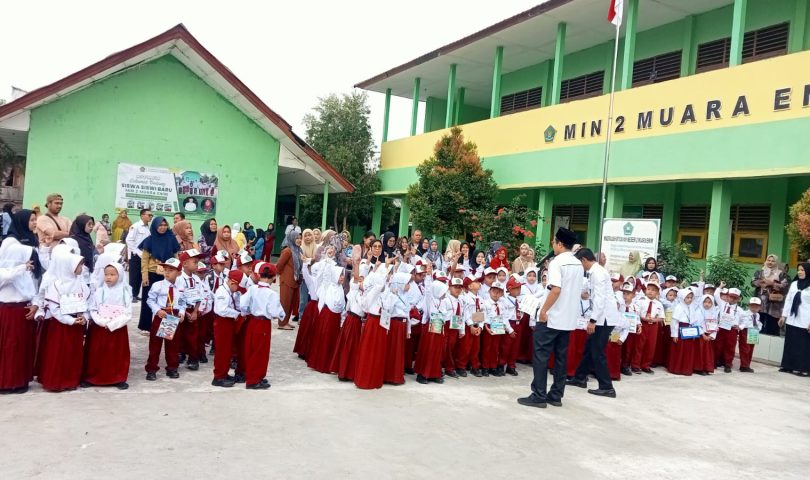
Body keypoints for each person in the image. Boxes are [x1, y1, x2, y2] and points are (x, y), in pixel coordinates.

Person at [518, 227, 583, 409]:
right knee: (561, 357)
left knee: (541, 355)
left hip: (552, 317)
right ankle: (556, 395)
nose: (553, 245)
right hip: (568, 318)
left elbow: (555, 289)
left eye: (554, 242)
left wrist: (544, 310)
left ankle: (539, 395)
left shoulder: (557, 263)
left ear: (560, 244)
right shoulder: (578, 264)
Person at [567, 248, 618, 398]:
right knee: (589, 349)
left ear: (584, 260)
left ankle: (607, 387)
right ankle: (580, 378)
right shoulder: (594, 271)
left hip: (603, 319)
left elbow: (600, 299)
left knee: (597, 352)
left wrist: (593, 320)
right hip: (602, 317)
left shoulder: (597, 273)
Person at [36, 252, 89, 392]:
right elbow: (54, 309)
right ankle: (56, 381)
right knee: (59, 353)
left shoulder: (82, 284)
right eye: (79, 265)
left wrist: (85, 317)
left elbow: (87, 304)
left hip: (77, 325)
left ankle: (71, 380)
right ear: (69, 266)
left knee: (73, 353)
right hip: (61, 326)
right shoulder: (56, 286)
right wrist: (70, 320)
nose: (82, 268)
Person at [82, 261, 131, 390]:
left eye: (112, 274)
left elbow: (128, 312)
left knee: (116, 353)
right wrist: (101, 321)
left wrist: (113, 324)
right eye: (106, 274)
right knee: (96, 353)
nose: (108, 277)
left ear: (120, 275)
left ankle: (118, 377)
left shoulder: (124, 292)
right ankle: (92, 377)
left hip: (117, 328)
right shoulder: (99, 291)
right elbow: (92, 308)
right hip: (100, 328)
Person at [0, 238, 40, 394]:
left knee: (21, 348)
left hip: (23, 313)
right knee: (8, 347)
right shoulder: (4, 270)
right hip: (8, 313)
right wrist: (22, 267)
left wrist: (35, 305)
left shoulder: (25, 274)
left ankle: (20, 381)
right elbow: (8, 277)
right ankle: (5, 382)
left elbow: (33, 292)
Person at [239, 262, 283, 389]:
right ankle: (254, 379)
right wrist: (280, 315)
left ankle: (254, 376)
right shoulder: (272, 294)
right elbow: (275, 312)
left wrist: (246, 312)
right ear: (273, 277)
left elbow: (243, 304)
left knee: (252, 348)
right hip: (263, 323)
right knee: (260, 351)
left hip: (253, 321)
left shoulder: (253, 289)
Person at [145, 257, 187, 381]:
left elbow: (183, 301)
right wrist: (158, 310)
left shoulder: (181, 286)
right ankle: (152, 369)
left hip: (172, 316)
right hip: (161, 315)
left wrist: (182, 312)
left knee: (172, 345)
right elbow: (150, 300)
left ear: (179, 273)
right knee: (155, 345)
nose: (167, 272)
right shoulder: (158, 285)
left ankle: (172, 368)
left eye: (171, 270)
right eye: (166, 270)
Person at [137, 216, 181, 333]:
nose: (163, 227)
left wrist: (178, 272)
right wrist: (144, 276)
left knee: (168, 300)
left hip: (168, 274)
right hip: (152, 273)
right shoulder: (149, 240)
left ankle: (167, 328)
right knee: (148, 299)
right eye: (160, 225)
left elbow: (176, 256)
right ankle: (146, 326)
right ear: (155, 226)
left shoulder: (171, 239)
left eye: (165, 225)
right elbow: (144, 260)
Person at [211, 270, 246, 388]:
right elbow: (222, 309)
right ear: (232, 282)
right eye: (237, 287)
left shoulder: (229, 291)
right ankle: (219, 377)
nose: (238, 290)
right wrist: (237, 314)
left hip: (228, 322)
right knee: (222, 351)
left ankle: (224, 373)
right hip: (222, 322)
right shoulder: (222, 291)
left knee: (227, 350)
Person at [779, 263, 810, 376]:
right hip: (792, 319)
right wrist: (783, 316)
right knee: (790, 343)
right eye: (798, 270)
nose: (799, 272)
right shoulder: (794, 284)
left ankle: (803, 369)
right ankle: (788, 366)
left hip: (805, 321)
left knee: (803, 346)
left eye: (802, 270)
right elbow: (788, 300)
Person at [752, 254, 789, 336]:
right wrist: (760, 283)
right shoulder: (759, 272)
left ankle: (770, 342)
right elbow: (753, 282)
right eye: (768, 260)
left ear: (776, 262)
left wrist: (772, 284)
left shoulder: (781, 274)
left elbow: (785, 286)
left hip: (774, 304)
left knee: (771, 326)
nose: (770, 262)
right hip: (759, 302)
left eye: (773, 261)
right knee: (757, 323)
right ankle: (754, 342)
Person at [276, 230, 303, 329]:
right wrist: (281, 276)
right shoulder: (287, 250)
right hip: (287, 281)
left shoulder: (298, 250)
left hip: (294, 281)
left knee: (290, 303)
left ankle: (286, 321)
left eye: (300, 238)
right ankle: (282, 323)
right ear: (292, 239)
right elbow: (279, 265)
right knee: (285, 303)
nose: (299, 240)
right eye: (297, 238)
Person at [125, 209, 153, 300]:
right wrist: (137, 252)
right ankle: (132, 295)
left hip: (144, 255)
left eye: (151, 215)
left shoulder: (147, 228)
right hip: (135, 255)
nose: (150, 217)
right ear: (142, 216)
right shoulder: (135, 226)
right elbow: (129, 240)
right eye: (149, 215)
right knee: (134, 276)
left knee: (141, 275)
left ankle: (136, 294)